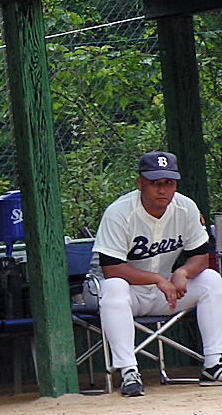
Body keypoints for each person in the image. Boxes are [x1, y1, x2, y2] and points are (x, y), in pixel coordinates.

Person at [84, 151, 222, 396]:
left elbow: (201, 256)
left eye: (168, 183)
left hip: (161, 292)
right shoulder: (119, 212)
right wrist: (159, 279)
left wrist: (183, 272)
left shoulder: (186, 208)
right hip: (112, 292)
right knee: (115, 286)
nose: (162, 190)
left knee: (211, 279)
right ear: (140, 183)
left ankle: (213, 364)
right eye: (154, 183)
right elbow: (111, 268)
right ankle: (128, 371)